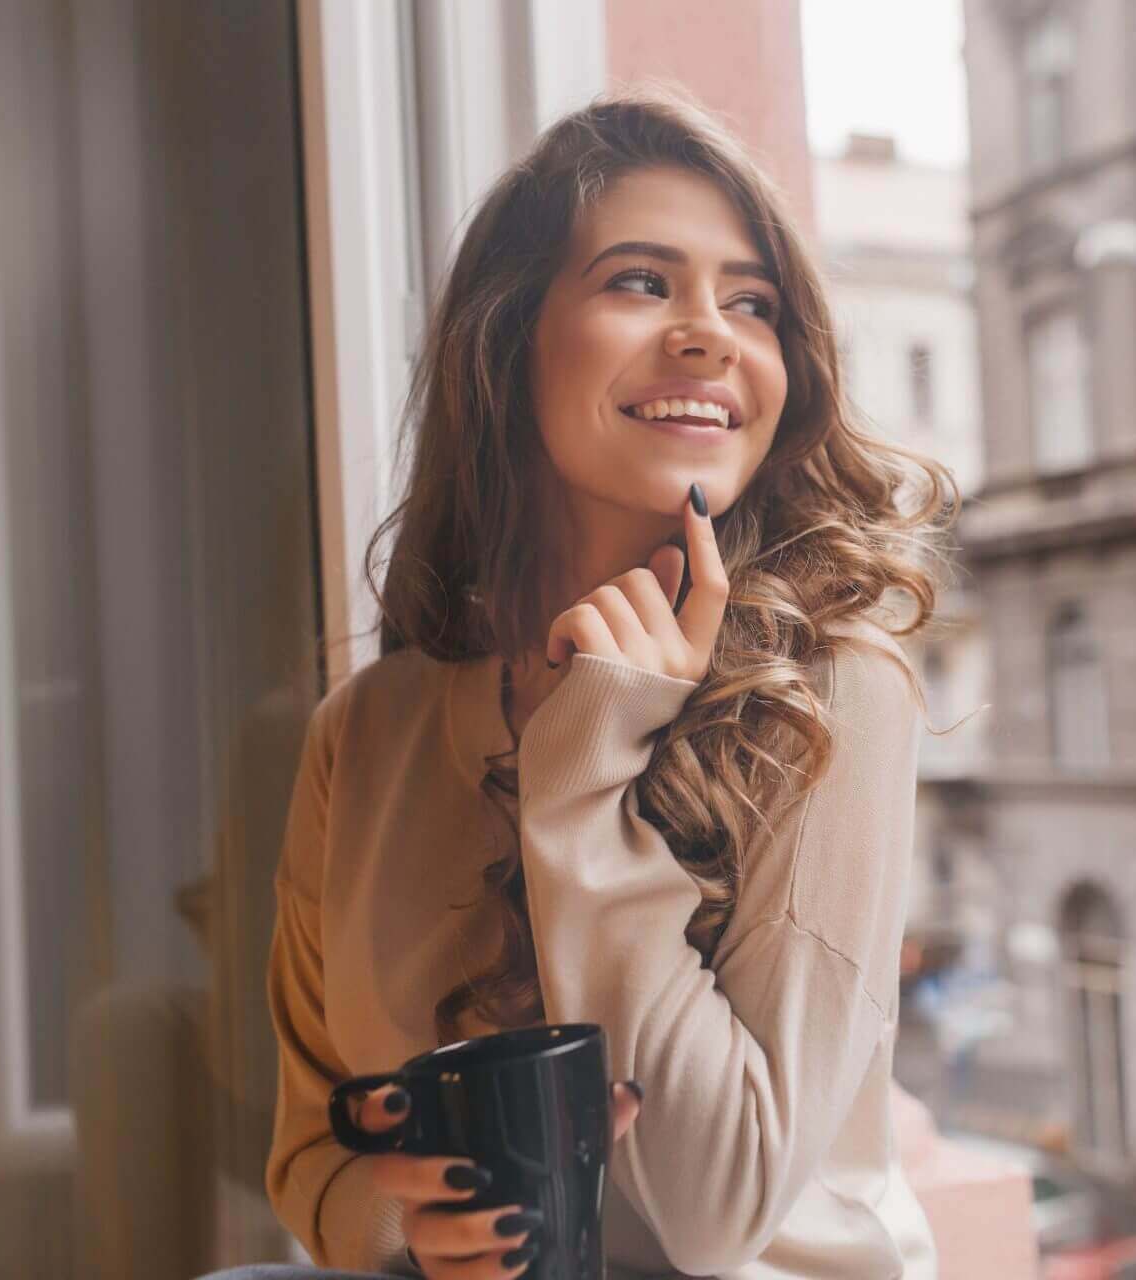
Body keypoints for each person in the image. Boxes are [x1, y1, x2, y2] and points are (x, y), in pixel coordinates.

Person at [204, 87, 960, 1280]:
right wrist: (417, 1227)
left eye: (750, 301)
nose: (710, 331)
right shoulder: (368, 731)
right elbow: (313, 1147)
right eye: (641, 281)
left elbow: (721, 1210)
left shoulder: (834, 692)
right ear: (506, 344)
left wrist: (583, 765)